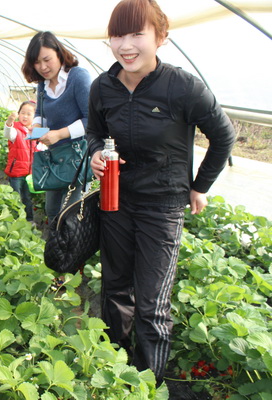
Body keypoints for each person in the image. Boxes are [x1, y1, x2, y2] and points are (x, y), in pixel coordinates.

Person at [86, 0, 235, 383]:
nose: (125, 44)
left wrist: (200, 186)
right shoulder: (103, 86)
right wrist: (96, 155)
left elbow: (223, 136)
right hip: (115, 200)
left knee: (152, 304)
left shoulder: (182, 87)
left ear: (160, 37)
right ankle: (113, 372)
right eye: (117, 35)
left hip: (163, 207)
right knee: (115, 288)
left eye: (137, 33)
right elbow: (94, 134)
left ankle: (148, 382)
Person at [21, 32, 92, 222]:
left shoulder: (78, 77)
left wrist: (59, 134)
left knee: (70, 214)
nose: (43, 67)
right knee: (52, 210)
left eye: (47, 60)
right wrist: (36, 126)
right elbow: (41, 114)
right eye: (37, 62)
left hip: (77, 158)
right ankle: (54, 248)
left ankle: (70, 249)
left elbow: (91, 119)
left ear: (59, 54)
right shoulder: (43, 84)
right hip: (55, 157)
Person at [3, 101, 39, 223]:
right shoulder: (15, 130)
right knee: (15, 197)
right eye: (22, 113)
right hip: (16, 172)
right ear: (18, 114)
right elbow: (8, 134)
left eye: (29, 114)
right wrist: (9, 123)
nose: (25, 116)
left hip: (29, 173)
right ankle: (15, 220)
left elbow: (42, 147)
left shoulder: (36, 132)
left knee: (27, 198)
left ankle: (29, 220)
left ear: (35, 117)